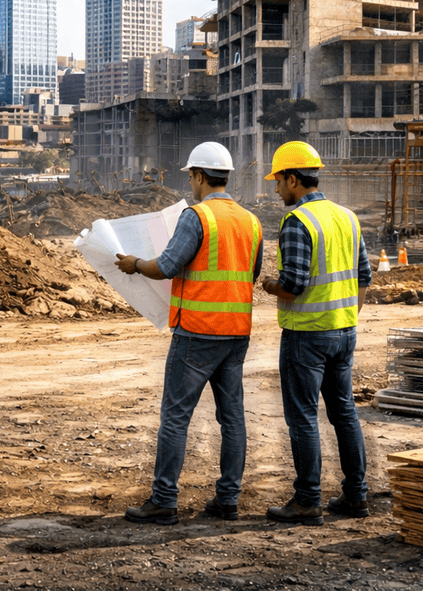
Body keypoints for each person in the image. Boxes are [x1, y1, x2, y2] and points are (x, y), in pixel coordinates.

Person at [114, 141, 262, 525]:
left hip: (197, 332)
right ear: (225, 176)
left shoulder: (197, 217)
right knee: (232, 419)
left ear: (198, 176)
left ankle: (164, 500)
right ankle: (227, 499)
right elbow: (252, 273)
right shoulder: (251, 221)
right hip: (236, 333)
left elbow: (166, 266)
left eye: (191, 178)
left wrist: (134, 264)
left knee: (176, 417)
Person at [260, 141, 371, 526]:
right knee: (344, 413)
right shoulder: (347, 216)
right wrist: (344, 318)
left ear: (294, 179)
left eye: (278, 182)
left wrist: (269, 285)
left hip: (306, 334)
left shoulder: (298, 222)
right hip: (344, 332)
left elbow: (292, 284)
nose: (276, 190)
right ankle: (356, 496)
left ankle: (308, 499)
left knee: (303, 417)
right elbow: (364, 278)